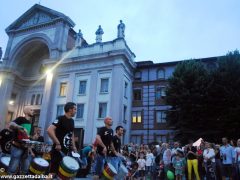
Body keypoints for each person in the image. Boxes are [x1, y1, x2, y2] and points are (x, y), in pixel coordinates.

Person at [47, 102, 77, 177]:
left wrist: (74, 146)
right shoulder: (60, 118)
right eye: (75, 109)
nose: (76, 111)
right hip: (58, 150)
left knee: (65, 174)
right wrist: (57, 143)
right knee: (53, 173)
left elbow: (72, 134)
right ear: (70, 110)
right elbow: (49, 130)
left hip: (67, 151)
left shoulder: (72, 121)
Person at [7, 106, 35, 175]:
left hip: (26, 149)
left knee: (25, 170)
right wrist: (19, 127)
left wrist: (30, 150)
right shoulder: (20, 119)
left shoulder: (31, 124)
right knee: (12, 170)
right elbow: (11, 124)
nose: (33, 111)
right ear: (26, 111)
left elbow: (29, 138)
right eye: (31, 110)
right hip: (17, 147)